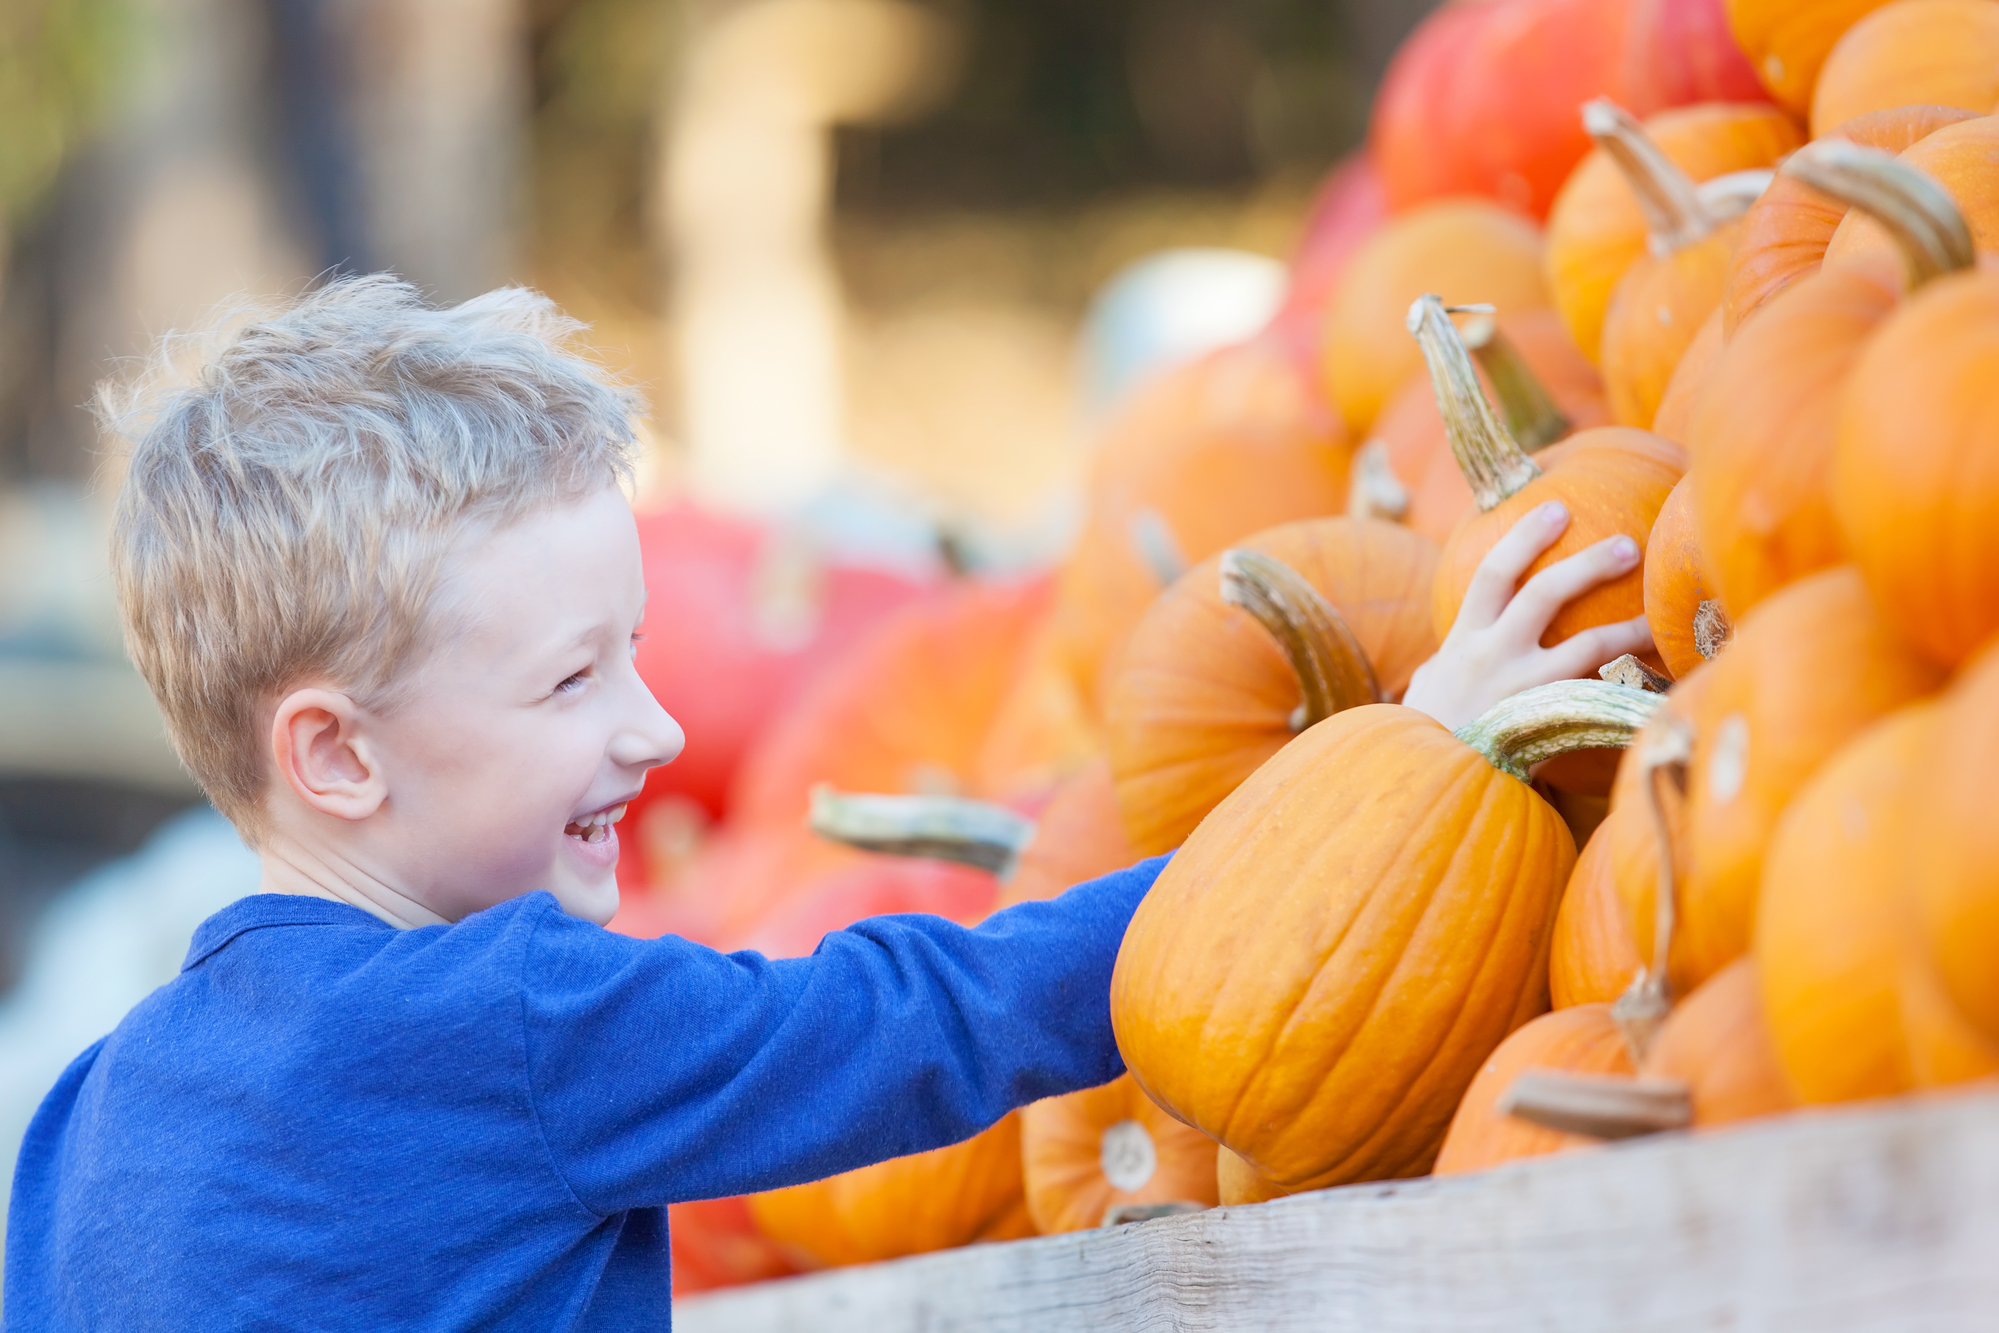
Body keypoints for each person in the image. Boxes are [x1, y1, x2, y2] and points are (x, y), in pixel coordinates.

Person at [3, 277, 1650, 1330]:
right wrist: (1378, 790)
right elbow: (917, 1017)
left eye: (635, 651)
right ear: (338, 755)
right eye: (572, 681)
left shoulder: (80, 1117)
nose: (652, 725)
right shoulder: (512, 1017)